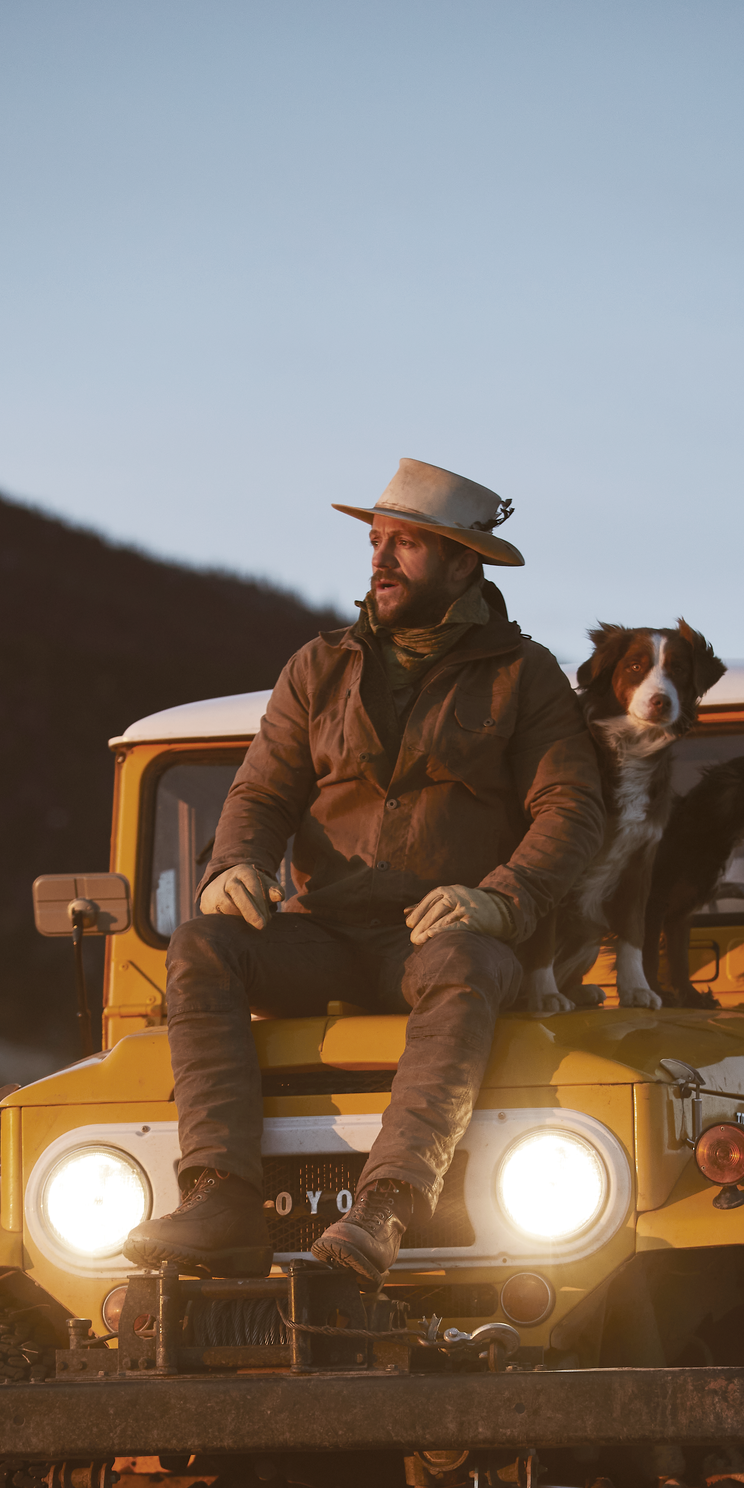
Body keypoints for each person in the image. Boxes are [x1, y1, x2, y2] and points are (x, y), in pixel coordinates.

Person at [125, 458, 605, 1287]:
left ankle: (385, 1206)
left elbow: (571, 808)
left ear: (464, 563)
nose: (379, 562)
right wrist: (234, 863)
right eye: (377, 542)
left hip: (445, 934)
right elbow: (261, 792)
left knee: (460, 965)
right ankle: (220, 1196)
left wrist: (501, 900)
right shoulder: (318, 665)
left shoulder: (522, 674)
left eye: (406, 545)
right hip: (331, 933)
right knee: (204, 944)